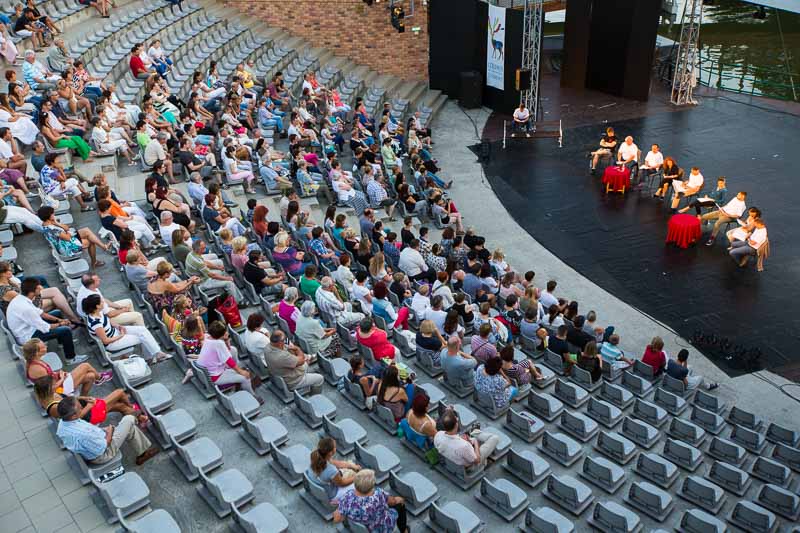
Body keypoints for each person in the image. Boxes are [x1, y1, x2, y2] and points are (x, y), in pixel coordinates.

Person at [56, 396, 159, 466]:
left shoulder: (63, 423)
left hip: (93, 446)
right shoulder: (83, 433)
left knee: (129, 428)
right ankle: (138, 417)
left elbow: (90, 433)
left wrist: (103, 430)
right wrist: (109, 431)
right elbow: (104, 445)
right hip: (104, 454)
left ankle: (143, 452)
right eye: (80, 408)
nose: (82, 408)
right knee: (129, 419)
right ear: (73, 415)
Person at [7, 278, 89, 364]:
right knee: (66, 330)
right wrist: (61, 324)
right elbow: (45, 327)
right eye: (38, 287)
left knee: (57, 313)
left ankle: (62, 342)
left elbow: (41, 313)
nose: (41, 288)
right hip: (28, 336)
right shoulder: (26, 309)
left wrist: (59, 320)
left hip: (28, 327)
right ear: (31, 292)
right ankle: (71, 358)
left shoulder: (22, 298)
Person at [83, 294, 171, 364]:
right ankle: (152, 357)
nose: (104, 303)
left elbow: (108, 320)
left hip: (116, 332)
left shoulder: (98, 312)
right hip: (113, 343)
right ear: (97, 306)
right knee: (143, 337)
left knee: (142, 330)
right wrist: (121, 335)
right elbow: (106, 341)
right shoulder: (96, 323)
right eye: (101, 302)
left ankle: (154, 355)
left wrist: (118, 326)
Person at [197, 321, 262, 400]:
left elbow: (227, 350)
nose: (226, 332)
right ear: (221, 335)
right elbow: (228, 360)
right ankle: (252, 396)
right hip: (215, 376)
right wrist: (241, 372)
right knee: (245, 377)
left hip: (209, 371)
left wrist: (226, 339)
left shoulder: (207, 336)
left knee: (233, 351)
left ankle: (241, 385)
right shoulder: (218, 343)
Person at [333, 469, 409, 533]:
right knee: (400, 505)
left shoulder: (347, 496)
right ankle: (404, 530)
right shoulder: (378, 494)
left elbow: (336, 519)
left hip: (361, 529)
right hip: (380, 529)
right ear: (371, 486)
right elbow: (393, 502)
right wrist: (400, 499)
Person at [24, 338, 109, 394]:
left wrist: (59, 374)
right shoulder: (38, 369)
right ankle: (100, 378)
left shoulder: (36, 360)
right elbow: (51, 389)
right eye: (43, 347)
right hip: (60, 390)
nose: (46, 346)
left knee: (91, 376)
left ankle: (82, 400)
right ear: (37, 353)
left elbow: (50, 377)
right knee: (85, 366)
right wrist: (62, 378)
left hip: (60, 382)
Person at [434, 409, 499, 467]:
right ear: (456, 424)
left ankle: (475, 433)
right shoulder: (464, 446)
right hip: (470, 466)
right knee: (494, 438)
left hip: (452, 461)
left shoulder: (438, 435)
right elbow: (477, 460)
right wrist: (475, 443)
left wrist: (460, 439)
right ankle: (484, 462)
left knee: (472, 433)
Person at [76, 273, 144, 326]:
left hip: (101, 310)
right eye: (97, 280)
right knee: (138, 316)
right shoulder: (92, 297)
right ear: (92, 284)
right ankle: (142, 333)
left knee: (128, 302)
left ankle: (133, 323)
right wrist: (123, 310)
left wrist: (119, 307)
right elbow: (109, 314)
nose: (100, 279)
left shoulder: (87, 286)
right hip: (102, 319)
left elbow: (104, 300)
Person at [307, 437, 360, 502]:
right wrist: (357, 476)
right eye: (335, 447)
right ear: (330, 453)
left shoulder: (315, 457)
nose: (336, 447)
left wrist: (351, 466)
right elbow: (342, 483)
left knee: (349, 464)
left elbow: (335, 463)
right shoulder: (331, 470)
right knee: (360, 483)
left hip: (320, 485)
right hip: (332, 494)